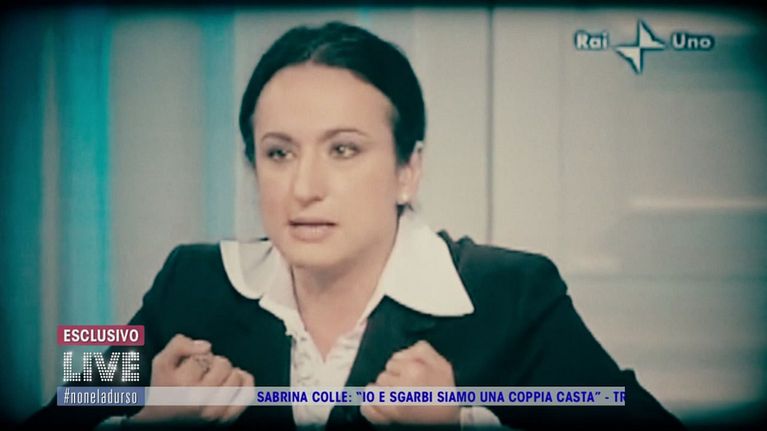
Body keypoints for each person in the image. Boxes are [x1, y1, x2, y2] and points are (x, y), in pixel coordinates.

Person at [26, 21, 684, 429]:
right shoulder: (187, 278)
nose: (304, 186)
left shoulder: (512, 292)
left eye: (343, 149)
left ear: (407, 170)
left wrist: (464, 423)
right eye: (279, 153)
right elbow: (61, 412)